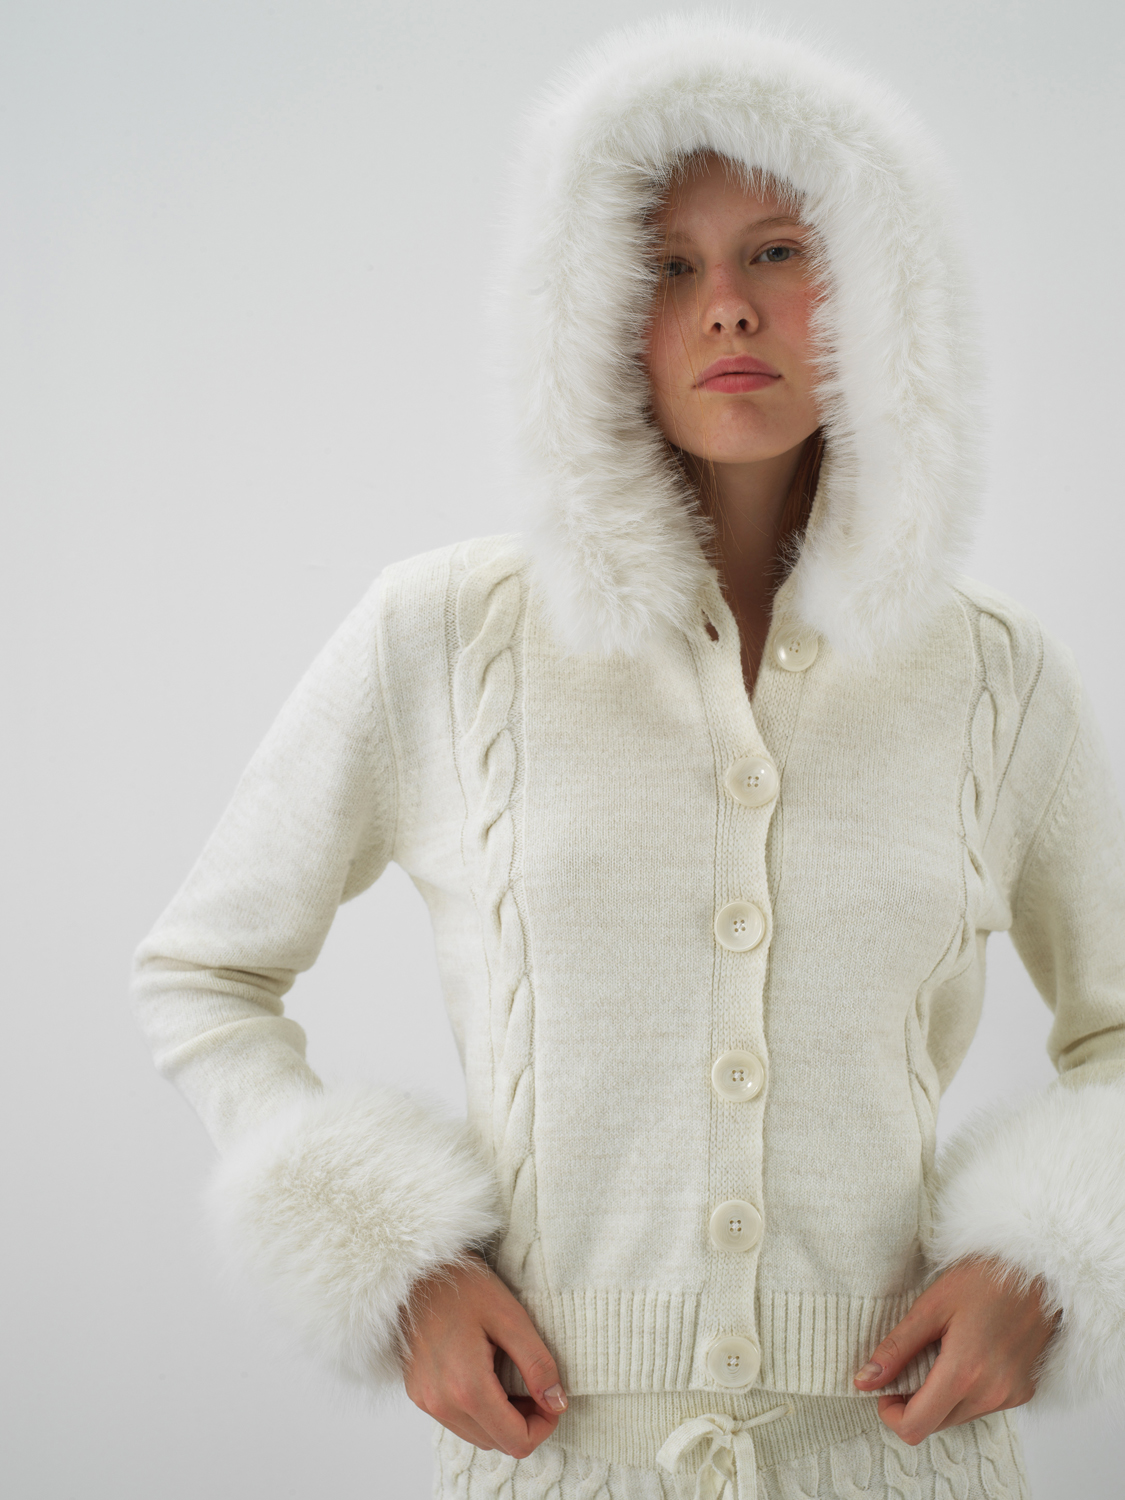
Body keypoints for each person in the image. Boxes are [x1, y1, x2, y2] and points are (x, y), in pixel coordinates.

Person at [131, 18, 1125, 1499]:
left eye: (779, 253)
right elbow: (205, 974)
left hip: (905, 1459)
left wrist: (1054, 1256)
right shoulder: (441, 635)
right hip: (558, 1455)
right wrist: (391, 1268)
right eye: (666, 266)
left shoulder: (998, 676)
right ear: (591, 310)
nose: (727, 308)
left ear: (881, 290)